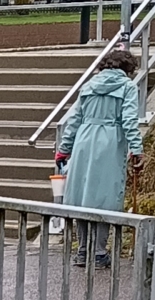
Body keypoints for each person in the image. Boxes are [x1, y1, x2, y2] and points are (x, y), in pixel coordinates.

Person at [55, 44, 144, 267]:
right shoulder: (127, 87)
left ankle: (82, 251)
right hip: (110, 143)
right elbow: (129, 120)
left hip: (84, 140)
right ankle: (99, 252)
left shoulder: (89, 85)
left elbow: (74, 119)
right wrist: (136, 149)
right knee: (105, 197)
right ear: (128, 69)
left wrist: (64, 148)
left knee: (82, 196)